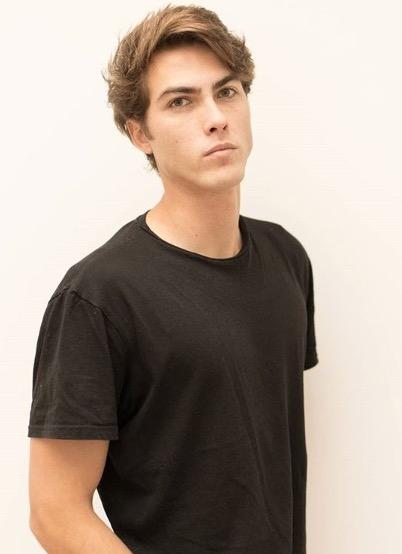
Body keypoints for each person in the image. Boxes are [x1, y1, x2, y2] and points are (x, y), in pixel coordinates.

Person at [27, 4, 319, 553]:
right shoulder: (98, 297)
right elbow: (55, 512)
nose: (216, 118)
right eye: (181, 101)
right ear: (140, 133)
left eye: (227, 92)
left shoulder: (286, 259)